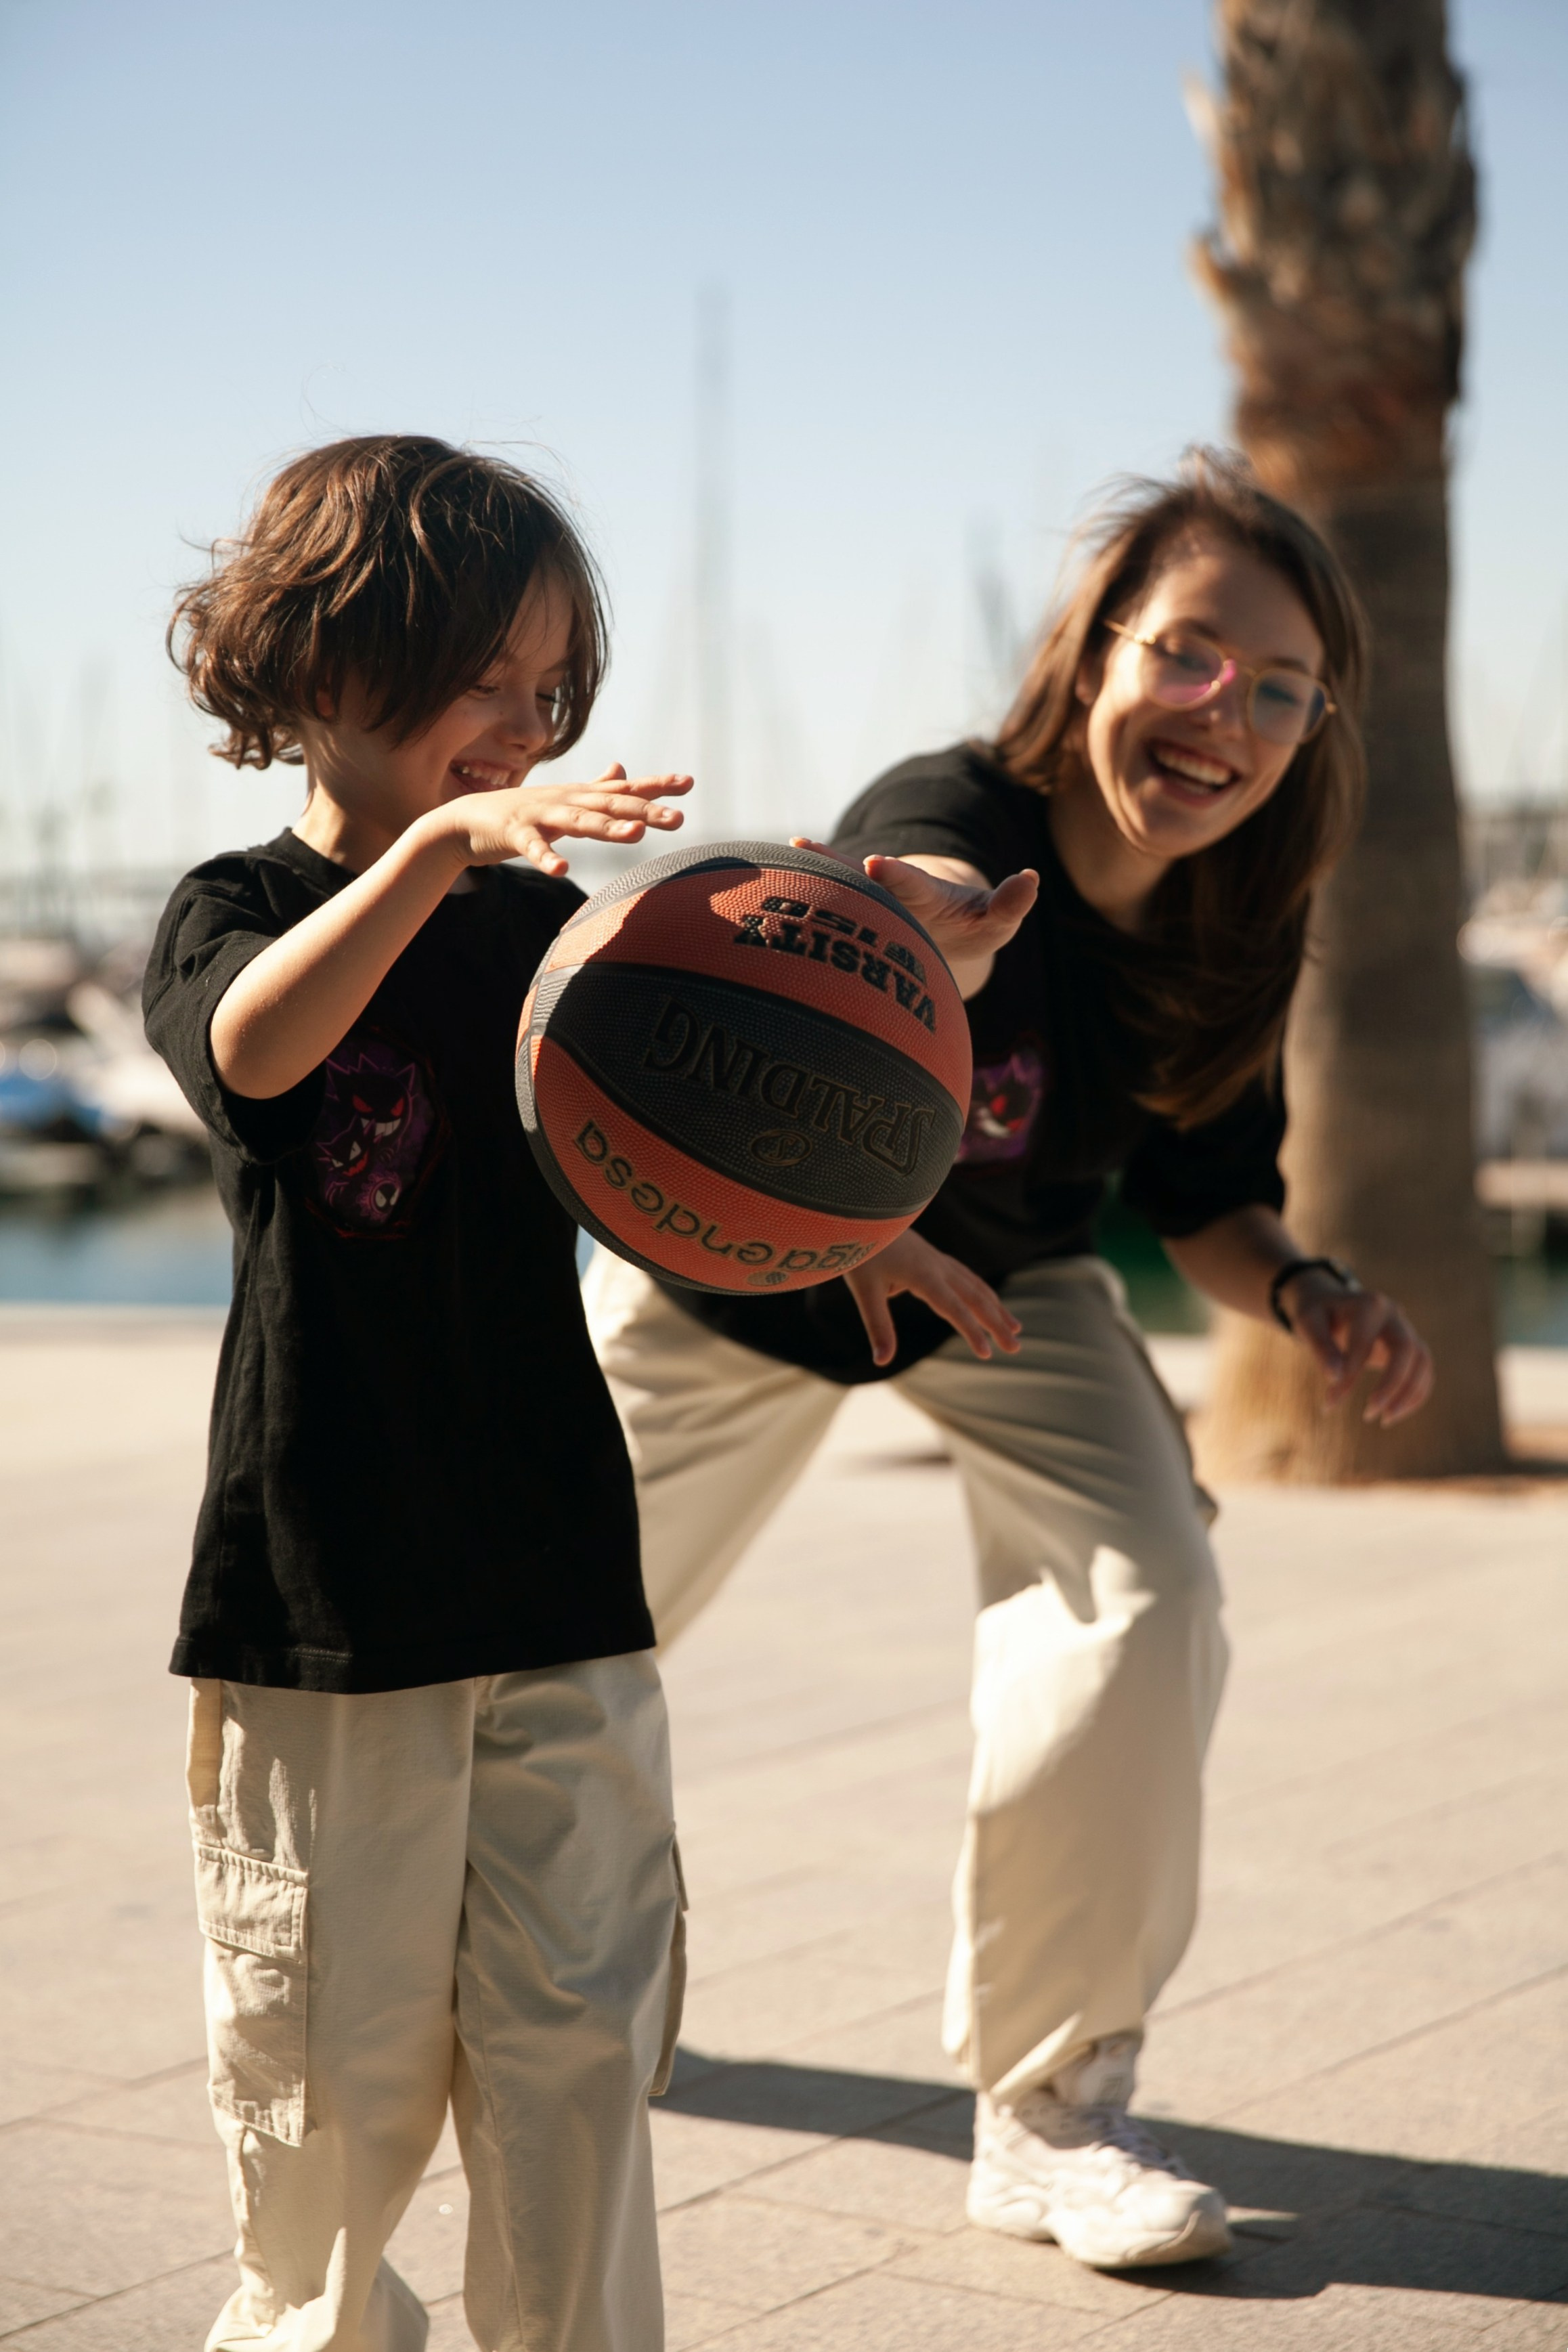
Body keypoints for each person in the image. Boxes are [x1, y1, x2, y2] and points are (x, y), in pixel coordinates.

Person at [585, 450, 1434, 2273]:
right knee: (548, 1626)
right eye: (1193, 654)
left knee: (1145, 1596)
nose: (1229, 715)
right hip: (756, 1269)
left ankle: (1049, 2111)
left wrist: (1305, 1294)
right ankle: (597, 1939)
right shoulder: (949, 811)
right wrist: (915, 942)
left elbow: (1209, 1196)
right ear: (1095, 646)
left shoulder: (1240, 909)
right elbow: (864, 920)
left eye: (1281, 688)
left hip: (1006, 1281)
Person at [145, 434, 694, 2352]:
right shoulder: (235, 905)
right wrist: (436, 853)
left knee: (578, 2075)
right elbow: (255, 1054)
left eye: (553, 691)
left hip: (558, 1583)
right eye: (489, 676)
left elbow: (697, 1149)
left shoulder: (549, 938)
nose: (528, 721)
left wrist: (863, 1159)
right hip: (328, 1613)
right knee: (328, 2112)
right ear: (320, 665)